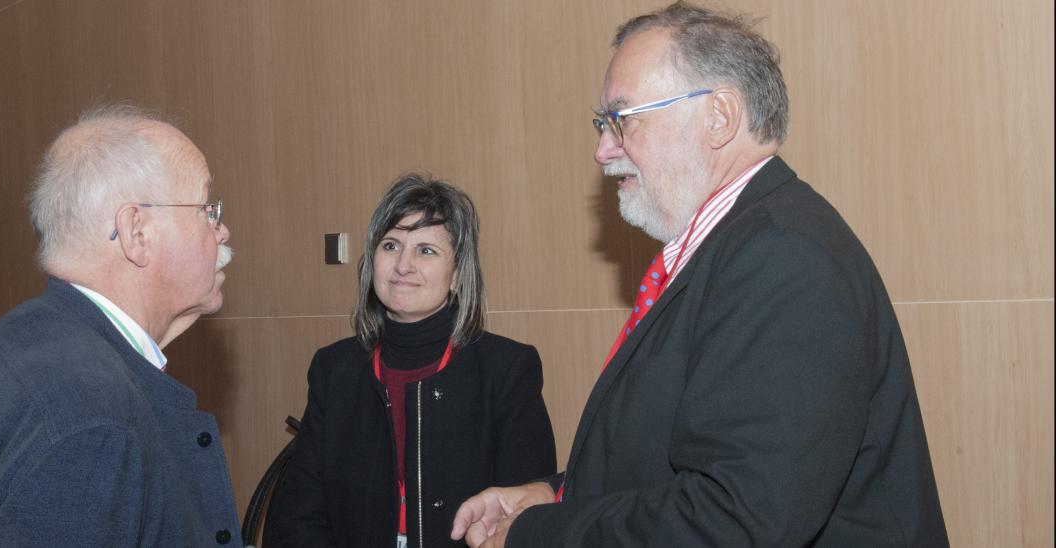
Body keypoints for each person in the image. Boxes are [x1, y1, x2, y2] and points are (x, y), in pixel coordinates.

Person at [451, 3, 949, 547]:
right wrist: (558, 496)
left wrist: (536, 536)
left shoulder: (784, 260)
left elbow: (737, 519)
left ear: (718, 117)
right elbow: (683, 459)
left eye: (622, 119)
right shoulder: (736, 248)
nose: (602, 149)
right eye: (602, 124)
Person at [0, 105, 238, 547]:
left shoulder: (21, 341)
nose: (221, 231)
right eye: (206, 208)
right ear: (135, 231)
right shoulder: (89, 415)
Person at [264, 174, 556, 548]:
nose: (403, 265)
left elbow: (525, 519)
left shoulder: (507, 369)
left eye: (426, 250)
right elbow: (299, 517)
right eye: (390, 246)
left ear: (457, 275)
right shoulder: (334, 369)